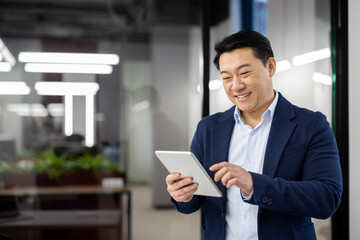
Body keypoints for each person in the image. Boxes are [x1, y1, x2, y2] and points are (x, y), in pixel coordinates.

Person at [165, 30, 343, 240]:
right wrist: (182, 195)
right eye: (227, 77)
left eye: (245, 73)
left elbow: (326, 199)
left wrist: (253, 184)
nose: (236, 85)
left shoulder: (311, 125)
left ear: (270, 67)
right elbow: (192, 204)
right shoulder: (208, 128)